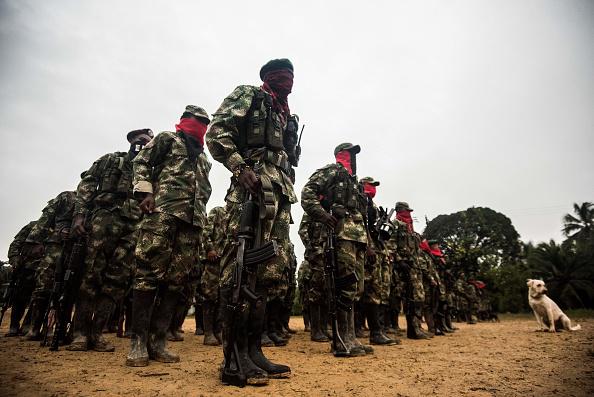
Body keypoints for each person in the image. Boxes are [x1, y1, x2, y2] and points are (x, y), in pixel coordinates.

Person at [206, 58, 297, 385]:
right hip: (251, 192)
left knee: (265, 276)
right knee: (239, 272)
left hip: (279, 198)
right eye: (281, 77)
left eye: (291, 77)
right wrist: (239, 167)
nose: (288, 82)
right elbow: (216, 132)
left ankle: (254, 351)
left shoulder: (285, 114)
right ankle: (233, 360)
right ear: (269, 78)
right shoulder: (249, 95)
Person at [125, 106, 212, 367]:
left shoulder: (204, 157)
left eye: (204, 123)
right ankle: (138, 342)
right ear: (185, 121)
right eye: (197, 121)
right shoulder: (167, 139)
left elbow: (204, 187)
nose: (200, 126)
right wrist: (145, 192)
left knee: (176, 280)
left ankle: (158, 341)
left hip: (192, 221)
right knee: (148, 274)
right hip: (163, 212)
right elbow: (141, 162)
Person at [68, 128, 153, 352]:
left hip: (133, 226)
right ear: (131, 142)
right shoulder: (110, 161)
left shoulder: (150, 171)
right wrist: (79, 216)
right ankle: (80, 333)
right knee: (90, 275)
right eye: (139, 141)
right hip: (103, 220)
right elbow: (87, 185)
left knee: (117, 281)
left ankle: (96, 334)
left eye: (147, 142)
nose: (142, 145)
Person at [301, 143, 372, 357]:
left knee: (356, 289)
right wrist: (323, 215)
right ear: (342, 155)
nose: (353, 158)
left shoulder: (356, 184)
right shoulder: (331, 172)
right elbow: (307, 193)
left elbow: (363, 218)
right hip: (340, 238)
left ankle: (350, 336)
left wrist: (369, 242)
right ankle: (341, 340)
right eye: (350, 154)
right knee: (344, 287)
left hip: (357, 239)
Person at [23, 191, 76, 340]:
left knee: (68, 290)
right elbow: (47, 216)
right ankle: (34, 328)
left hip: (77, 250)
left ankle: (58, 329)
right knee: (43, 287)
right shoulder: (67, 197)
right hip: (55, 247)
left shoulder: (96, 202)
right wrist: (34, 240)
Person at [360, 176, 397, 345]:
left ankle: (377, 330)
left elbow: (375, 231)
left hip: (377, 249)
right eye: (370, 185)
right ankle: (371, 331)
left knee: (377, 290)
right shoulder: (360, 201)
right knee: (367, 290)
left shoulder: (372, 205)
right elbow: (361, 227)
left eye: (374, 186)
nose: (373, 188)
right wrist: (368, 246)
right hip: (367, 251)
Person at [393, 201, 432, 339]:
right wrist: (400, 261)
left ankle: (416, 326)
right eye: (406, 211)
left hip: (415, 267)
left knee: (419, 297)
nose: (409, 214)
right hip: (403, 268)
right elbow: (390, 246)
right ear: (399, 210)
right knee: (409, 297)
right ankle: (412, 329)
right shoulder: (395, 225)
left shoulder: (410, 229)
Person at [4, 221, 41, 336]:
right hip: (26, 268)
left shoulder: (58, 228)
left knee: (39, 300)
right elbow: (16, 244)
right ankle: (14, 326)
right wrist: (14, 260)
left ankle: (28, 326)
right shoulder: (33, 226)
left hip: (45, 269)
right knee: (19, 297)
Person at [200, 205, 228, 345]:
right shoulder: (218, 211)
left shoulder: (238, 216)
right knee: (210, 295)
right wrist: (210, 248)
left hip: (227, 262)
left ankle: (218, 330)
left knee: (223, 297)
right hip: (213, 261)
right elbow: (206, 230)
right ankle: (208, 333)